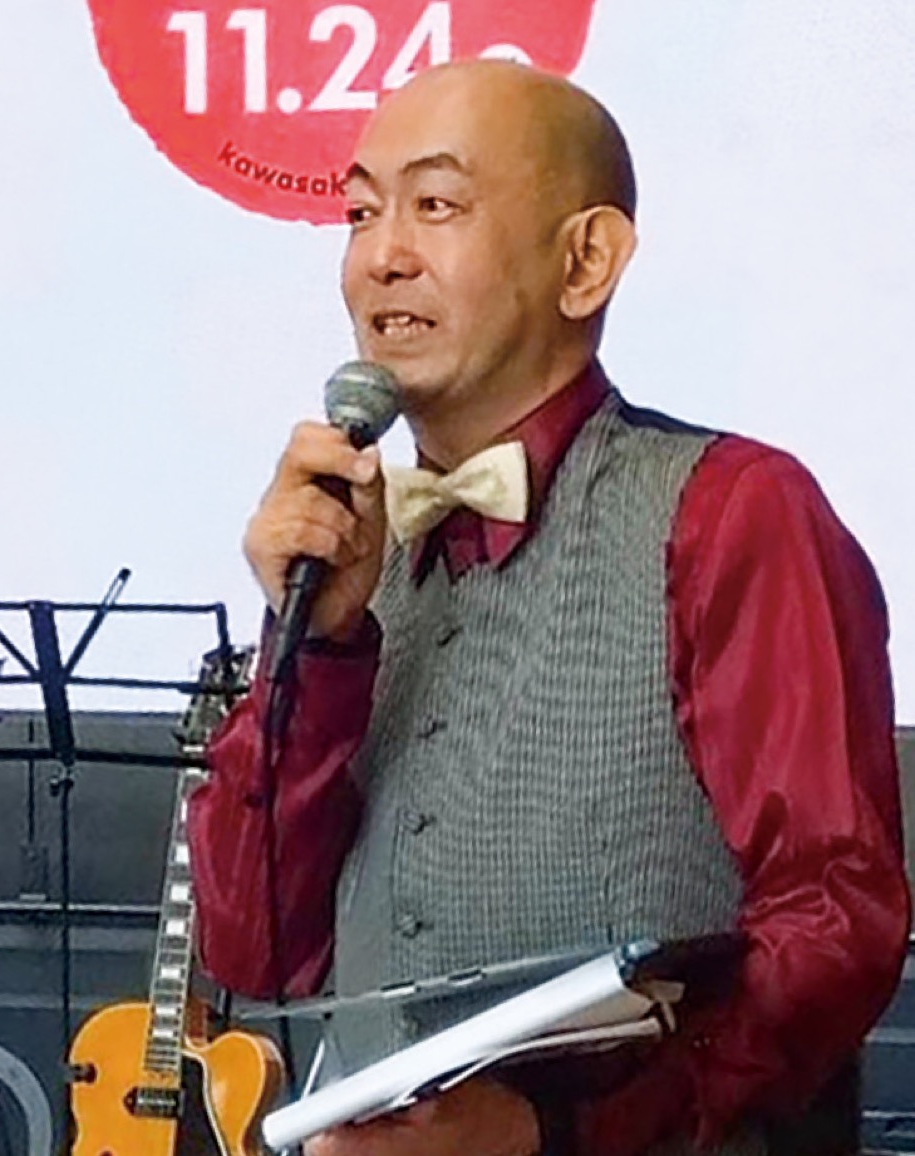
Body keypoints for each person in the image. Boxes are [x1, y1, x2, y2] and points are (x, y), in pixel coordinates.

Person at [188, 60, 910, 1156]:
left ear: (586, 261)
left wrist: (558, 1129)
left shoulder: (732, 512)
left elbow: (836, 921)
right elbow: (254, 955)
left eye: (437, 205)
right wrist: (319, 648)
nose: (381, 256)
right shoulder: (354, 550)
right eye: (360, 213)